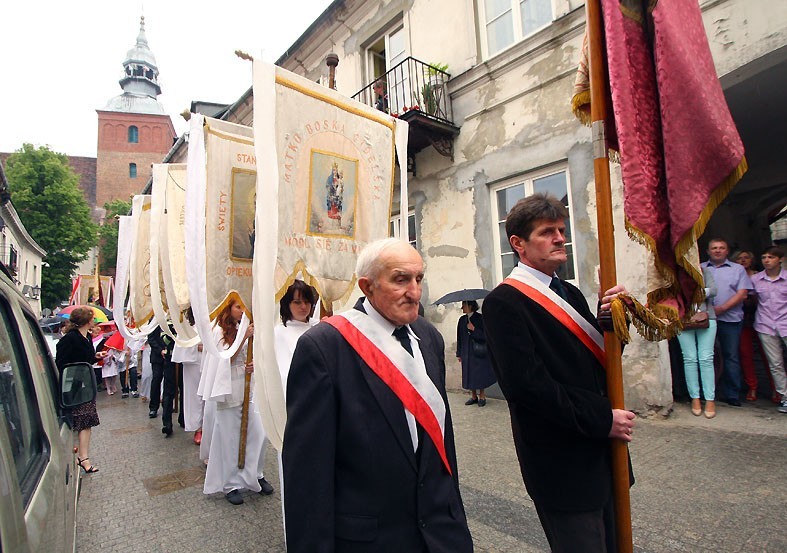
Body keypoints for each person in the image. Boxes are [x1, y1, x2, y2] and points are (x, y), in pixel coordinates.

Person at [283, 238, 473, 553]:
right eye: (401, 280)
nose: (414, 291)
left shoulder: (429, 338)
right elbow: (308, 477)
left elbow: (442, 445)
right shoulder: (324, 349)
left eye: (419, 279)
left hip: (441, 536)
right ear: (367, 286)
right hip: (370, 541)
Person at [482, 194, 635, 553]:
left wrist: (614, 326)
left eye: (561, 230)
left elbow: (595, 366)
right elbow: (527, 387)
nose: (559, 238)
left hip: (601, 451)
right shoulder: (504, 302)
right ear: (518, 243)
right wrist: (602, 418)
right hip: (562, 461)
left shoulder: (570, 292)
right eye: (547, 231)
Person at [200, 298, 273, 505]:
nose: (242, 311)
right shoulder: (219, 331)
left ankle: (255, 474)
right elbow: (222, 359)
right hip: (229, 387)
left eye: (244, 307)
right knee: (230, 437)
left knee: (259, 433)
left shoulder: (250, 327)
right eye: (238, 307)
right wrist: (243, 338)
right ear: (228, 308)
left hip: (252, 387)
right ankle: (230, 483)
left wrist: (254, 364)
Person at [702, 239, 753, 406]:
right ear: (708, 251)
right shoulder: (700, 268)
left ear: (727, 251)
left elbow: (742, 293)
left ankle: (732, 394)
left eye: (721, 248)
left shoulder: (738, 269)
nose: (717, 251)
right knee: (707, 357)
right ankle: (707, 392)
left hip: (730, 320)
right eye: (714, 248)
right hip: (706, 320)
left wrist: (722, 308)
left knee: (731, 356)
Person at [55, 306, 105, 474]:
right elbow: (61, 363)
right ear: (86, 321)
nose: (94, 321)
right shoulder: (69, 339)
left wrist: (96, 356)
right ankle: (83, 458)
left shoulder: (87, 337)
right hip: (74, 385)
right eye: (92, 318)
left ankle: (83, 456)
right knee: (80, 421)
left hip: (86, 384)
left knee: (86, 421)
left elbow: (88, 357)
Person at [676, 266, 718, 418]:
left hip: (706, 318)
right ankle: (695, 398)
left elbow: (713, 290)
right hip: (682, 319)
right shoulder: (674, 271)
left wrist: (695, 292)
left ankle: (710, 399)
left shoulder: (704, 270)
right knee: (689, 358)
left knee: (706, 358)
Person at [751, 246, 787, 414]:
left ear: (780, 260)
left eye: (771, 257)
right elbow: (752, 299)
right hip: (765, 324)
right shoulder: (756, 279)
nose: (766, 260)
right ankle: (785, 398)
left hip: (785, 323)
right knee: (776, 364)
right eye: (764, 257)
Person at [273, 280, 318, 395]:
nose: (303, 307)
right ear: (287, 304)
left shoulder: (319, 327)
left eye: (307, 302)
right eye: (297, 302)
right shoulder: (279, 332)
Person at [171, 310, 204, 445]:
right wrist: (196, 347)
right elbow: (181, 345)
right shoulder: (187, 326)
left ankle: (211, 426)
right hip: (193, 364)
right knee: (195, 397)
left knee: (209, 396)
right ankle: (198, 428)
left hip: (210, 363)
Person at [456, 300, 496, 406]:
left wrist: (474, 330)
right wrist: (459, 353)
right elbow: (459, 338)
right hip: (466, 352)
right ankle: (473, 396)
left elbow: (486, 336)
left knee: (479, 374)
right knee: (469, 375)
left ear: (470, 306)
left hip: (477, 352)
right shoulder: (462, 320)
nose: (462, 308)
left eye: (464, 305)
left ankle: (482, 396)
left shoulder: (480, 318)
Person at [147, 325, 177, 437]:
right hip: (158, 357)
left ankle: (174, 419)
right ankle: (153, 407)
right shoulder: (155, 319)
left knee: (172, 387)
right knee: (156, 380)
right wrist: (160, 350)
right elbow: (151, 338)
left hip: (172, 357)